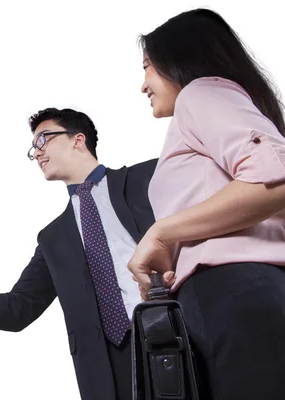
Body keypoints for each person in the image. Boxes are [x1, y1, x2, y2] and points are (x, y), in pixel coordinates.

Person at [0, 108, 157, 400]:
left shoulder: (147, 178)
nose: (36, 153)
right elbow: (18, 309)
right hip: (106, 370)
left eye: (43, 140)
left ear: (78, 140)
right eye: (33, 148)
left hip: (172, 333)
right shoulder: (54, 238)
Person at [129, 8, 285, 400]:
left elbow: (276, 178)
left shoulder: (200, 93)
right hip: (239, 295)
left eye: (147, 66)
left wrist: (164, 231)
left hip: (233, 292)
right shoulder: (212, 111)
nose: (142, 84)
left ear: (178, 59)